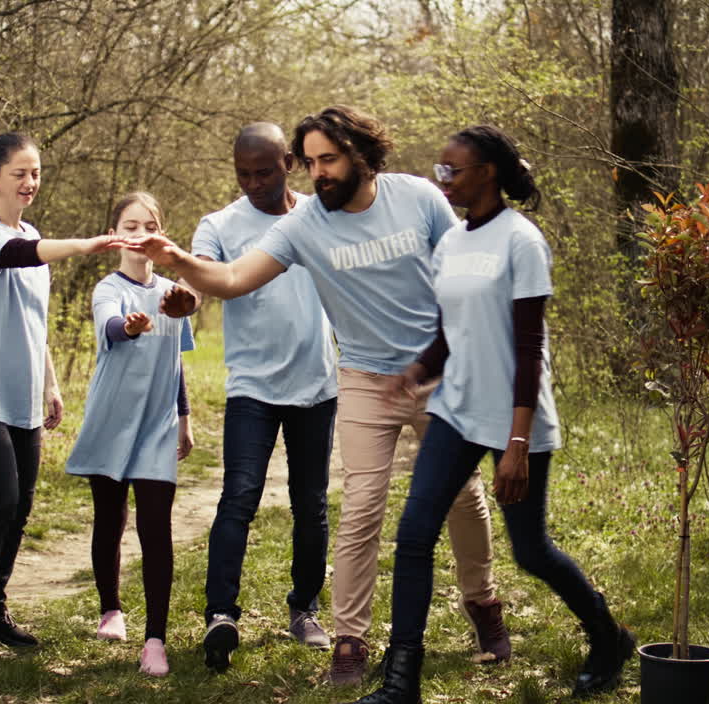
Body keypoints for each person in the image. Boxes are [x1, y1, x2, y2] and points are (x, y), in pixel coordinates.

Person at [126, 106, 510, 685]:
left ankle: (482, 603)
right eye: (310, 163)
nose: (318, 173)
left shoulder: (419, 199)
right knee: (359, 509)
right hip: (363, 378)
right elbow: (231, 278)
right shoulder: (305, 224)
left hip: (439, 370)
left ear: (360, 154)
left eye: (327, 159)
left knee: (462, 496)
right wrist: (176, 260)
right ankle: (350, 640)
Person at [345, 126, 634, 704]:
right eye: (440, 169)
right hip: (456, 410)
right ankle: (401, 681)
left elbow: (529, 349)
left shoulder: (521, 241)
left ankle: (608, 636)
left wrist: (517, 443)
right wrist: (416, 370)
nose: (443, 180)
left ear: (488, 173)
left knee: (531, 551)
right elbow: (450, 333)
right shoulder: (451, 243)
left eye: (453, 170)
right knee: (414, 536)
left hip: (514, 418)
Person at [0, 132, 145, 654]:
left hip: (22, 396)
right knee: (0, 498)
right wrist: (86, 244)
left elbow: (34, 320)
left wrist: (50, 383)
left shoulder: (32, 233)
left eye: (35, 173)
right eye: (20, 173)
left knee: (20, 507)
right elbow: (22, 255)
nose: (30, 182)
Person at [192, 123, 339, 671]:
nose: (253, 183)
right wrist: (186, 295)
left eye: (264, 172)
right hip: (251, 386)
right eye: (243, 174)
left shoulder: (321, 215)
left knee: (311, 505)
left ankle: (305, 608)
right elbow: (201, 274)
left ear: (290, 164)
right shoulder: (220, 224)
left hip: (316, 384)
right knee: (239, 497)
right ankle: (220, 614)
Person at [64, 192, 196, 678]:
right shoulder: (108, 289)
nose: (140, 235)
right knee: (110, 517)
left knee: (156, 528)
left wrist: (184, 418)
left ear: (162, 233)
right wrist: (131, 326)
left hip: (158, 425)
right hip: (111, 420)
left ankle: (155, 641)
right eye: (131, 226)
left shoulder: (174, 294)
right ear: (116, 235)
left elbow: (176, 360)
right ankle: (111, 610)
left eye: (149, 226)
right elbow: (113, 327)